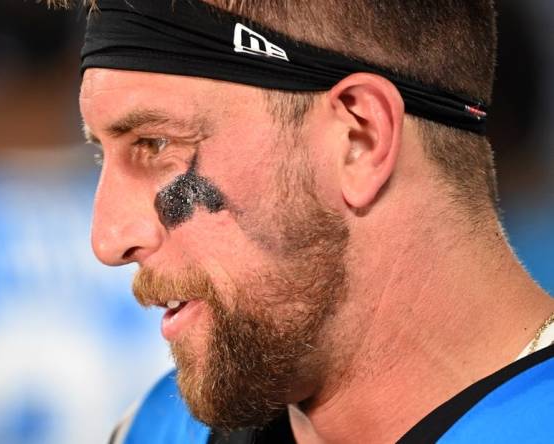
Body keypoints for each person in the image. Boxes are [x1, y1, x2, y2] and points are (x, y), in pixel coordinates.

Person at [49, 0, 554, 442]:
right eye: (101, 155)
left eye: (155, 144)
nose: (107, 239)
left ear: (361, 140)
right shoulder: (157, 430)